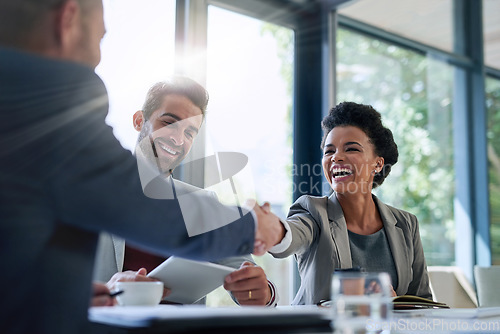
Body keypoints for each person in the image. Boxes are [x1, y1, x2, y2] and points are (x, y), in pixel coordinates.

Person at [0, 1, 283, 333]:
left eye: (190, 131)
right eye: (100, 39)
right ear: (68, 18)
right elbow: (141, 204)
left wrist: (74, 296)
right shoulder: (51, 108)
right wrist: (254, 226)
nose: (97, 57)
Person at [93, 79, 278, 307]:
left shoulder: (203, 203)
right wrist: (111, 290)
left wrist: (262, 292)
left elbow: (246, 273)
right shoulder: (93, 190)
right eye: (169, 123)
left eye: (190, 133)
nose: (178, 139)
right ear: (139, 121)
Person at [270, 102, 432, 305]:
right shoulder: (312, 212)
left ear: (378, 163)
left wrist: (394, 304)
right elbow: (290, 236)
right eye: (329, 151)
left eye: (352, 148)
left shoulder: (407, 224)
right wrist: (270, 229)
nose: (336, 157)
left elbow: (423, 302)